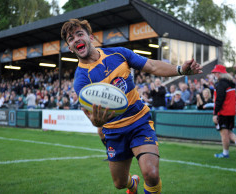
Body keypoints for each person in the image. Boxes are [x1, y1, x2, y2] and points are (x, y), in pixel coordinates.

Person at [61, 18, 202, 194]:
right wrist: (97, 122)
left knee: (151, 174)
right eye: (71, 39)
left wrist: (180, 69)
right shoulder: (81, 80)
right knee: (120, 183)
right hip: (113, 131)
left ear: (90, 37)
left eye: (79, 34)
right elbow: (91, 116)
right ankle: (132, 184)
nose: (76, 39)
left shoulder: (118, 54)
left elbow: (151, 66)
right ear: (70, 47)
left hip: (139, 122)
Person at [212, 64, 236, 158]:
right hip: (231, 112)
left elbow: (219, 99)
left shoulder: (221, 84)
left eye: (215, 72)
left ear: (219, 73)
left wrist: (215, 113)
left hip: (223, 112)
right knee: (228, 131)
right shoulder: (231, 83)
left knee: (224, 133)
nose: (214, 74)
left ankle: (226, 153)